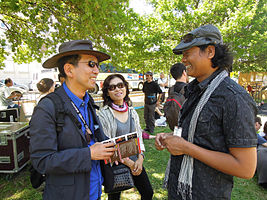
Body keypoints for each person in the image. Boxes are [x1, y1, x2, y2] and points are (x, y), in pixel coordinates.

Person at [155, 24, 257, 200]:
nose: (183, 60)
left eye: (187, 54)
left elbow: (245, 168)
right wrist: (172, 137)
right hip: (179, 191)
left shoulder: (233, 98)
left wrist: (187, 148)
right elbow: (202, 137)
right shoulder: (194, 91)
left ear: (210, 52)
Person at [30, 40, 116, 200]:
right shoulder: (47, 108)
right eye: (91, 64)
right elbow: (42, 160)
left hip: (94, 193)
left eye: (98, 65)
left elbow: (94, 138)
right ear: (69, 70)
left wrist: (113, 148)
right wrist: (88, 154)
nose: (97, 71)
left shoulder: (88, 101)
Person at [98, 74, 154, 200]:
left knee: (148, 193)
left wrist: (140, 158)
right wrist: (129, 163)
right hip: (117, 163)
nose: (117, 89)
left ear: (126, 88)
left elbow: (139, 137)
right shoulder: (103, 115)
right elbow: (107, 144)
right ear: (107, 93)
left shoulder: (132, 112)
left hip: (136, 161)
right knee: (114, 198)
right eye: (112, 87)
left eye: (120, 85)